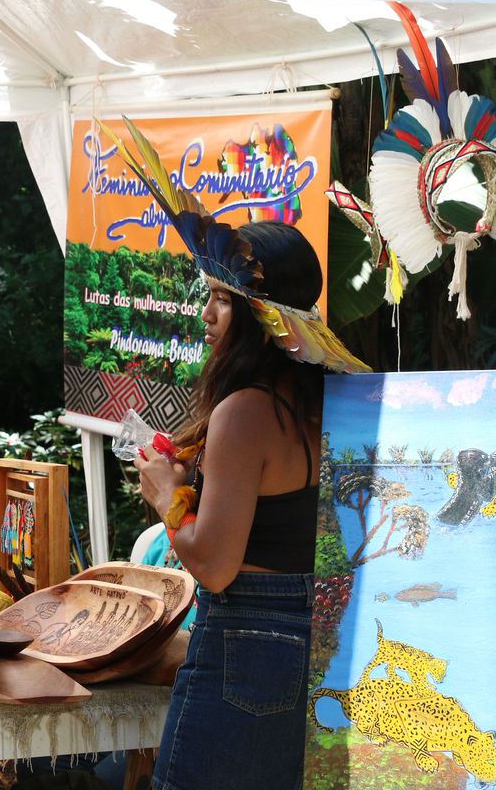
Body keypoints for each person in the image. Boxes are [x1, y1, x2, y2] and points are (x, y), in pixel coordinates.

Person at [133, 220, 359, 790]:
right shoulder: (323, 399)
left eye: (222, 300)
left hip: (246, 639)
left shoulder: (245, 411)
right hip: (323, 637)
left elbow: (212, 564)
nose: (207, 315)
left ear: (262, 315)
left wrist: (166, 494)